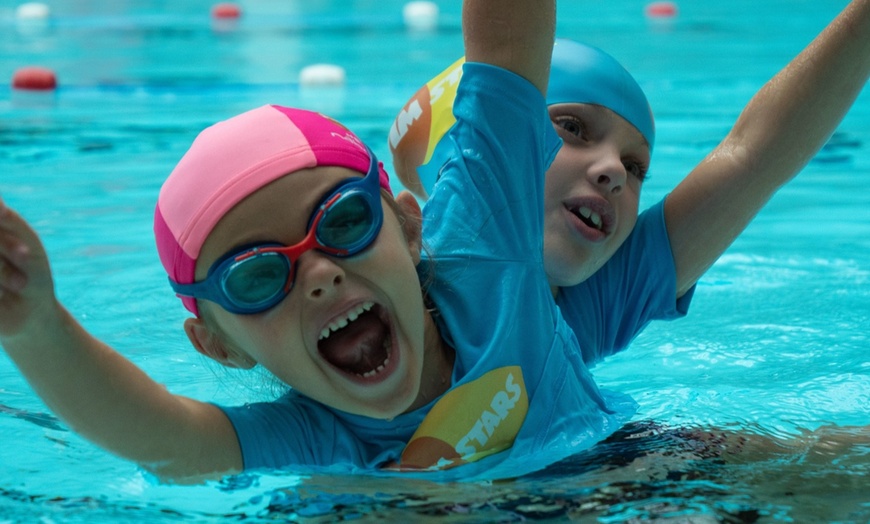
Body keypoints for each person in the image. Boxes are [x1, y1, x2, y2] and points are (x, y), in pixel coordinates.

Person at [0, 0, 635, 483]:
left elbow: (506, 46)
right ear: (220, 345)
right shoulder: (311, 437)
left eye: (343, 222)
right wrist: (35, 326)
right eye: (255, 277)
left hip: (631, 475)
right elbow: (167, 440)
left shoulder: (487, 260)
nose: (319, 274)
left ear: (409, 227)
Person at [390, 0, 870, 366]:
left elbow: (752, 157)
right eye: (573, 128)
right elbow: (506, 34)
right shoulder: (447, 256)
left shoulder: (591, 306)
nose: (615, 171)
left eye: (636, 166)